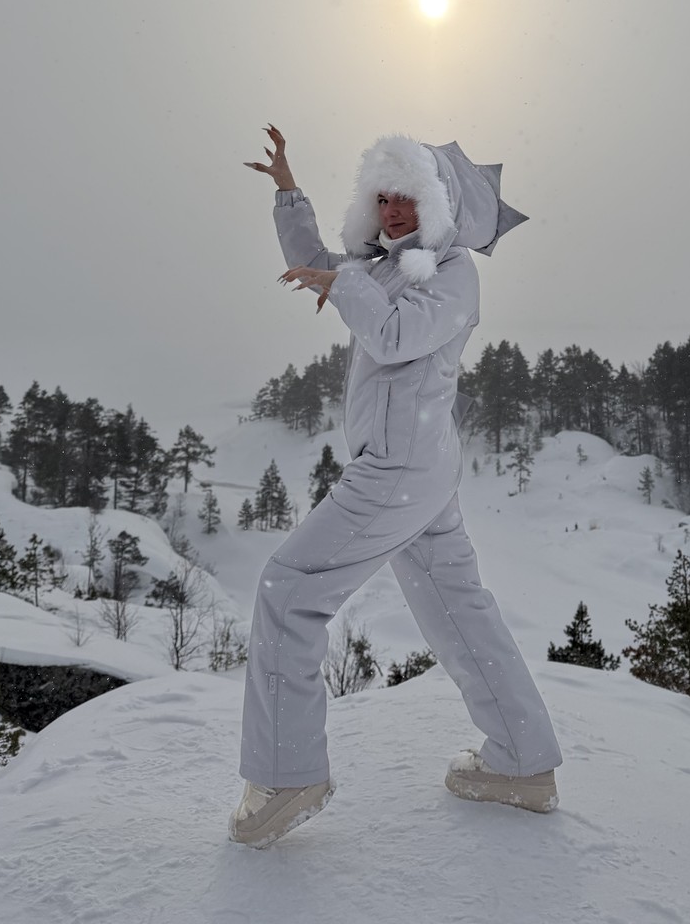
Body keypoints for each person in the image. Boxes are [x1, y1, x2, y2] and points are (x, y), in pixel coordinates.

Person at [229, 125, 562, 848]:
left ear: (438, 203)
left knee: (289, 591)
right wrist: (288, 190)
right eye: (382, 197)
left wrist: (343, 282)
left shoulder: (451, 275)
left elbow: (391, 336)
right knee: (457, 608)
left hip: (398, 469)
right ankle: (522, 762)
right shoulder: (389, 266)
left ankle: (289, 776)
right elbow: (322, 266)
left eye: (407, 196)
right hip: (420, 469)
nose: (393, 210)